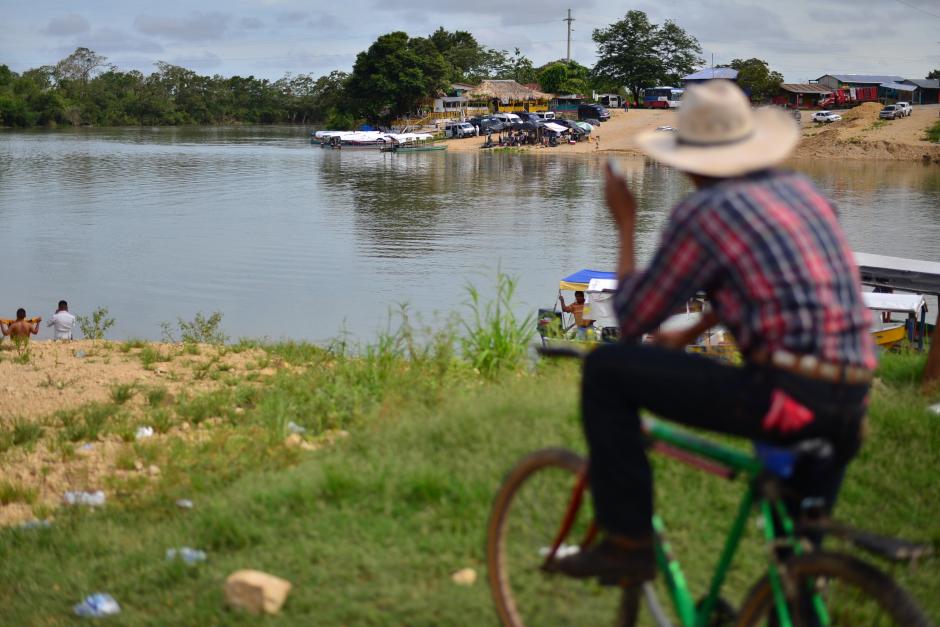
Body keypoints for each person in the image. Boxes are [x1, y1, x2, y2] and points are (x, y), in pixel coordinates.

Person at [550, 81, 874, 587]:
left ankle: (628, 545)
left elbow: (632, 318)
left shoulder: (704, 212)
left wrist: (626, 224)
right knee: (795, 567)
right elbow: (772, 283)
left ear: (691, 160)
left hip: (786, 396)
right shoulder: (804, 193)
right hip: (852, 396)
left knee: (605, 369)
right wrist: (697, 329)